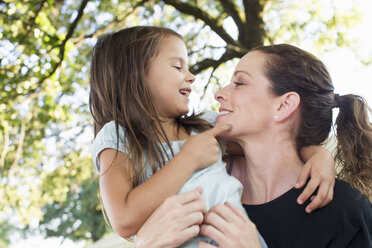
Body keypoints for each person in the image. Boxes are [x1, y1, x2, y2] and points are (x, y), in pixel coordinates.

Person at [89, 26, 335, 247]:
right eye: (177, 66)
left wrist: (318, 154)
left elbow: (272, 142)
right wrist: (188, 159)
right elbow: (124, 220)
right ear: (135, 75)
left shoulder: (204, 127)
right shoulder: (117, 138)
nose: (191, 76)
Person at [135, 44, 372, 248]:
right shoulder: (202, 190)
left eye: (239, 82)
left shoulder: (347, 213)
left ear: (284, 105)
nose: (218, 93)